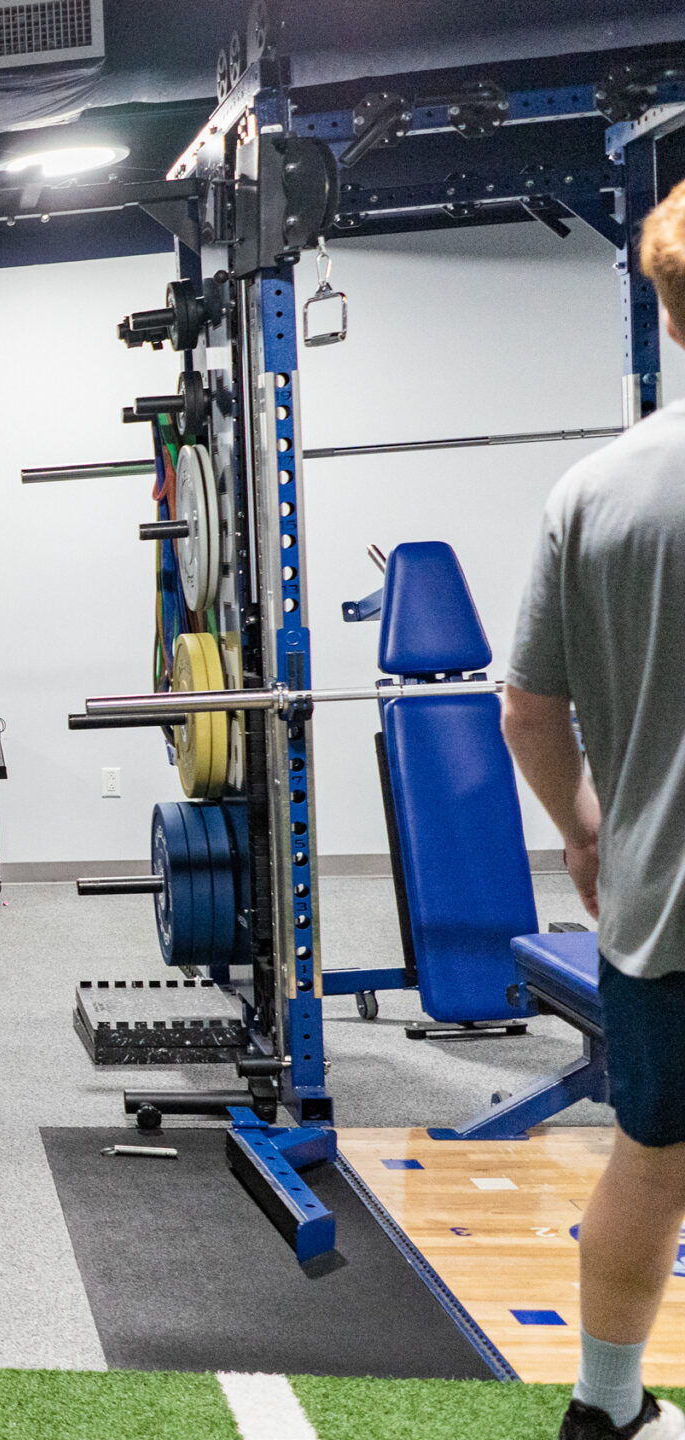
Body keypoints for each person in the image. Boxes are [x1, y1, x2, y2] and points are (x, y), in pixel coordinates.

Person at [503, 175, 685, 1440]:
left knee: (651, 1155)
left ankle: (604, 1411)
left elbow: (527, 710)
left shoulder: (596, 490)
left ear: (667, 316)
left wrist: (583, 832)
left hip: (657, 905)